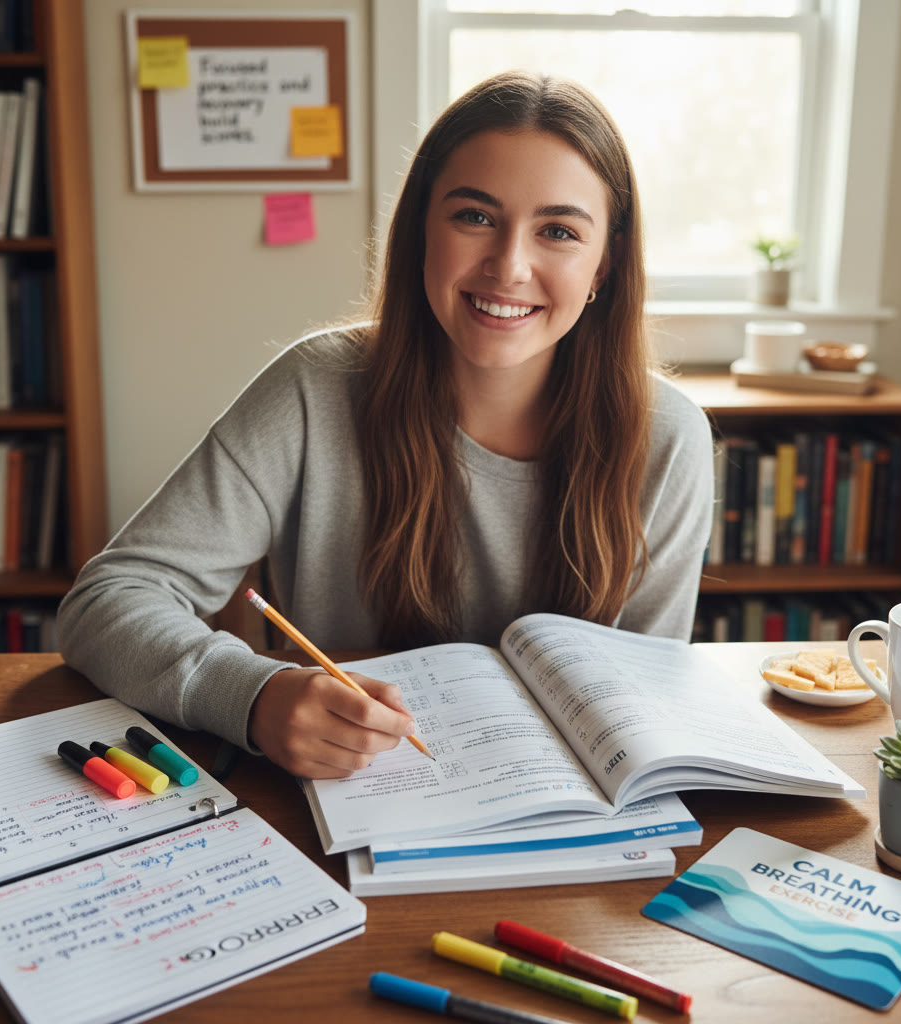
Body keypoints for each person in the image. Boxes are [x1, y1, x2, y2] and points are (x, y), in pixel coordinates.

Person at [58, 71, 714, 781]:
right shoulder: (313, 388)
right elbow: (107, 600)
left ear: (604, 266)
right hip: (342, 801)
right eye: (474, 216)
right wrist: (253, 694)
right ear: (419, 232)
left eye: (558, 231)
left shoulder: (668, 438)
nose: (509, 266)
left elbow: (646, 709)